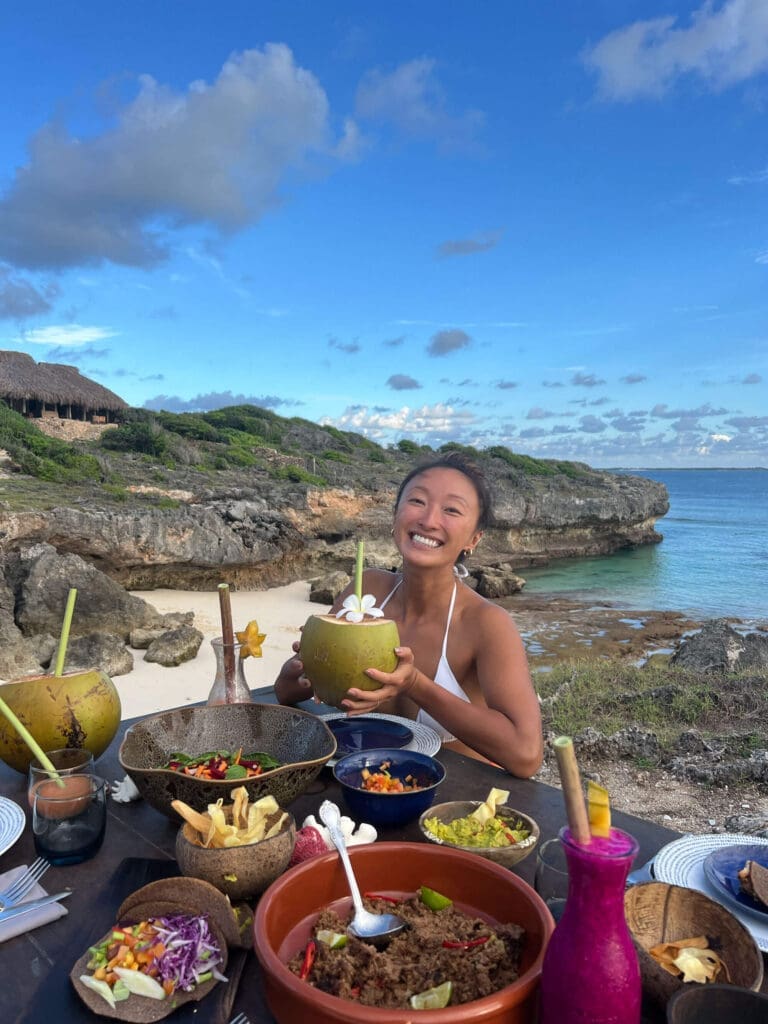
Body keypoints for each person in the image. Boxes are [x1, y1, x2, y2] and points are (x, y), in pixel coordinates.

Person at [275, 451, 543, 778]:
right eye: (417, 501)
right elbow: (287, 691)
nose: (429, 520)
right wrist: (308, 666)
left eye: (452, 509)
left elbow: (527, 754)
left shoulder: (485, 623)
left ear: (474, 538)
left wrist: (414, 683)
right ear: (395, 516)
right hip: (351, 784)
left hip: (447, 798)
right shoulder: (366, 587)